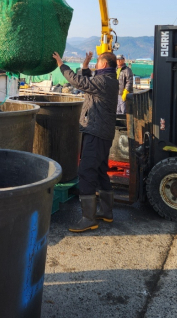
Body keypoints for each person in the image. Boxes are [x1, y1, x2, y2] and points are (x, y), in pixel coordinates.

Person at [53, 50, 119, 233]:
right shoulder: (109, 80)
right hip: (103, 133)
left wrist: (61, 64)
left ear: (104, 65)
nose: (96, 65)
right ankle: (107, 212)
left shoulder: (103, 82)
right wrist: (84, 66)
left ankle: (88, 218)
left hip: (96, 132)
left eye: (98, 62)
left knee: (85, 171)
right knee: (99, 171)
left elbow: (79, 82)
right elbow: (89, 82)